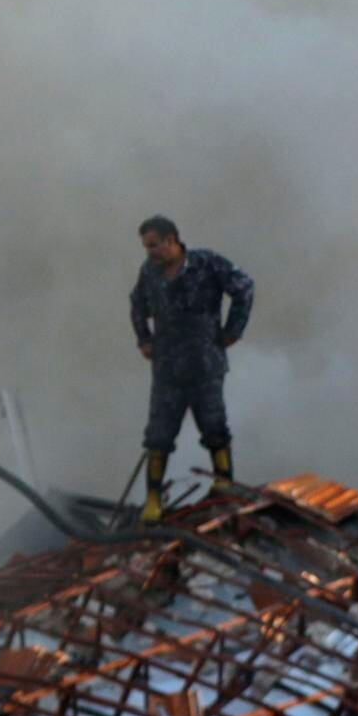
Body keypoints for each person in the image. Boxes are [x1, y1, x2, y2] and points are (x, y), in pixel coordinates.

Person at [129, 215, 255, 524]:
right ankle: (153, 500)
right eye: (146, 246)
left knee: (214, 427)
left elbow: (244, 287)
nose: (150, 252)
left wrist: (233, 330)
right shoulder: (149, 271)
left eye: (154, 245)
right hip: (168, 370)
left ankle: (224, 486)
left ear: (171, 239)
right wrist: (143, 339)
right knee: (158, 436)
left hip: (204, 365)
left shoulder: (206, 263)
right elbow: (136, 303)